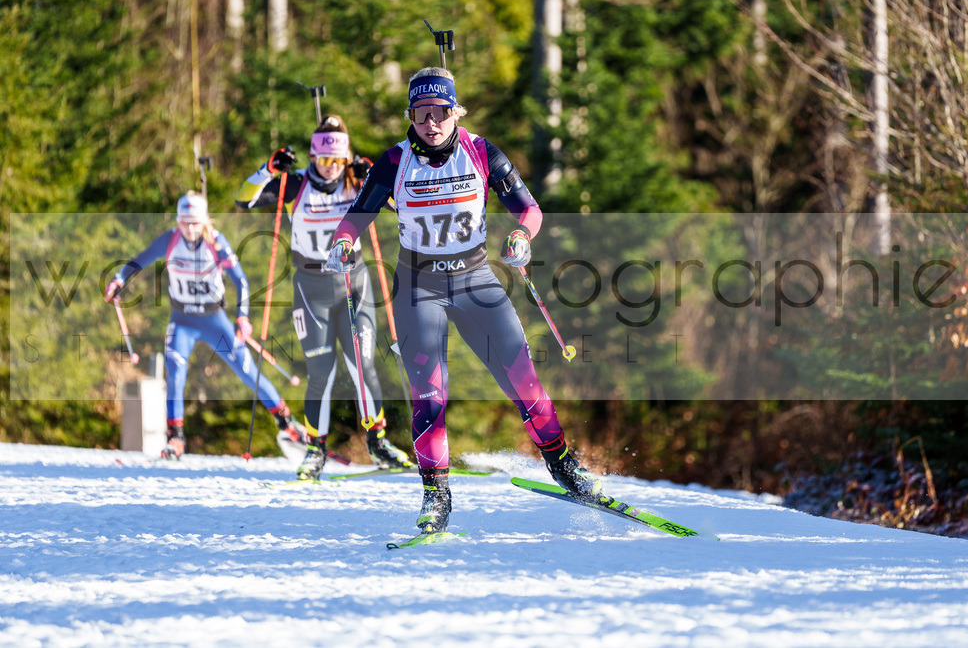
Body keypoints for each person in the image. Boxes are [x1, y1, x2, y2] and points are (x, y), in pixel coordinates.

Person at [325, 67, 604, 534]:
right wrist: (342, 244)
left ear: (455, 112)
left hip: (476, 280)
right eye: (420, 114)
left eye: (440, 113)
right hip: (419, 287)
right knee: (429, 395)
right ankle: (436, 494)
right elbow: (356, 217)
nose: (431, 123)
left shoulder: (480, 151)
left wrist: (520, 235)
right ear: (410, 116)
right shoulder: (395, 162)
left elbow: (530, 209)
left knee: (525, 382)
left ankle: (564, 467)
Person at [237, 115, 413, 480]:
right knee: (321, 373)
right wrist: (267, 169)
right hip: (310, 288)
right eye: (322, 160)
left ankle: (378, 442)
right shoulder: (295, 184)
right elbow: (244, 200)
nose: (330, 168)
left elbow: (402, 206)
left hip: (353, 285)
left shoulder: (357, 182)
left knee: (362, 366)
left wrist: (377, 177)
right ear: (312, 158)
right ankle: (315, 450)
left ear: (346, 159)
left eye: (337, 161)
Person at [104, 193, 302, 459]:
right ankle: (176, 439)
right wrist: (118, 281)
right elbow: (139, 261)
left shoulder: (216, 243)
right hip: (182, 321)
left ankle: (286, 423)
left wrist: (242, 317)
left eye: (196, 223)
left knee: (247, 372)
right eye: (185, 222)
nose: (191, 228)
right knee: (175, 375)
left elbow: (241, 281)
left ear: (205, 221)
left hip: (214, 321)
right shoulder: (170, 239)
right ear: (178, 221)